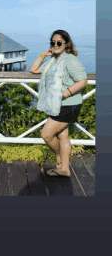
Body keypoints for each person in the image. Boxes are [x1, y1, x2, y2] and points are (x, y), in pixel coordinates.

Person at [29, 30, 88, 178]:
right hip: (58, 104)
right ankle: (64, 169)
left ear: (66, 44)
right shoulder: (52, 61)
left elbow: (83, 81)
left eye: (59, 43)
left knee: (46, 134)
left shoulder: (70, 60)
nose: (55, 45)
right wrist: (44, 54)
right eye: (52, 43)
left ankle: (59, 157)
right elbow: (33, 69)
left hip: (68, 104)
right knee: (63, 136)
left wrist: (62, 94)